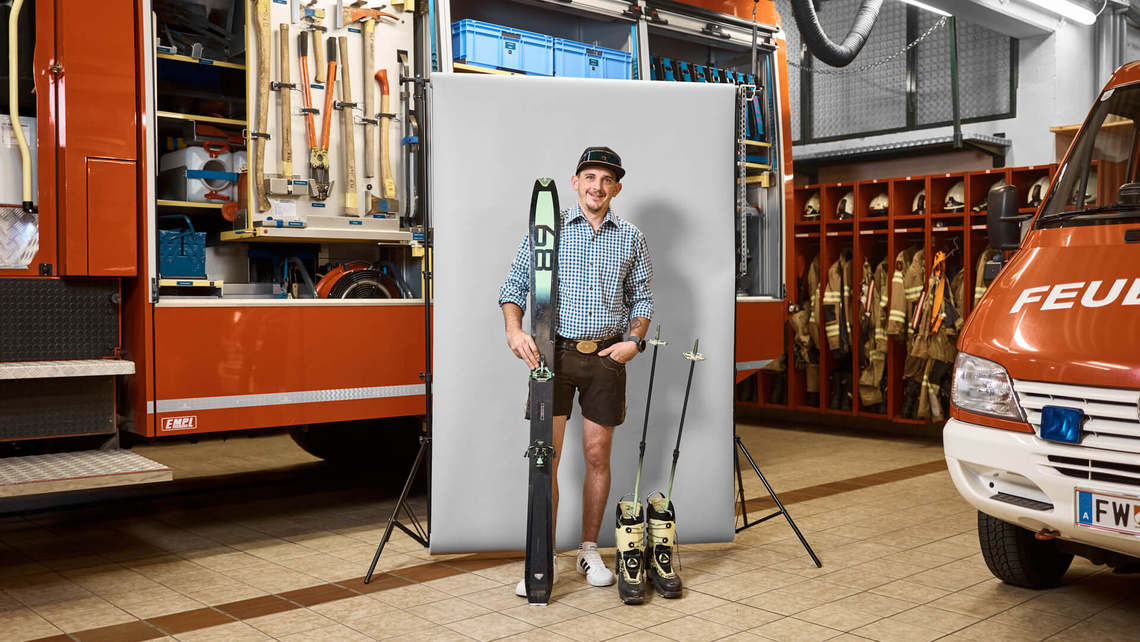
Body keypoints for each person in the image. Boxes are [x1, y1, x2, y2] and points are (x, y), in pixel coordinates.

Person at [498, 146, 654, 595]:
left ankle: (588, 549)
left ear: (616, 188)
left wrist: (634, 341)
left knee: (596, 457)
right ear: (575, 182)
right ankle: (542, 557)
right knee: (546, 460)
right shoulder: (548, 230)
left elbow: (641, 298)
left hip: (607, 357)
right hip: (554, 357)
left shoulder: (631, 237)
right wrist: (514, 330)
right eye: (590, 177)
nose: (597, 187)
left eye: (606, 180)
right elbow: (513, 287)